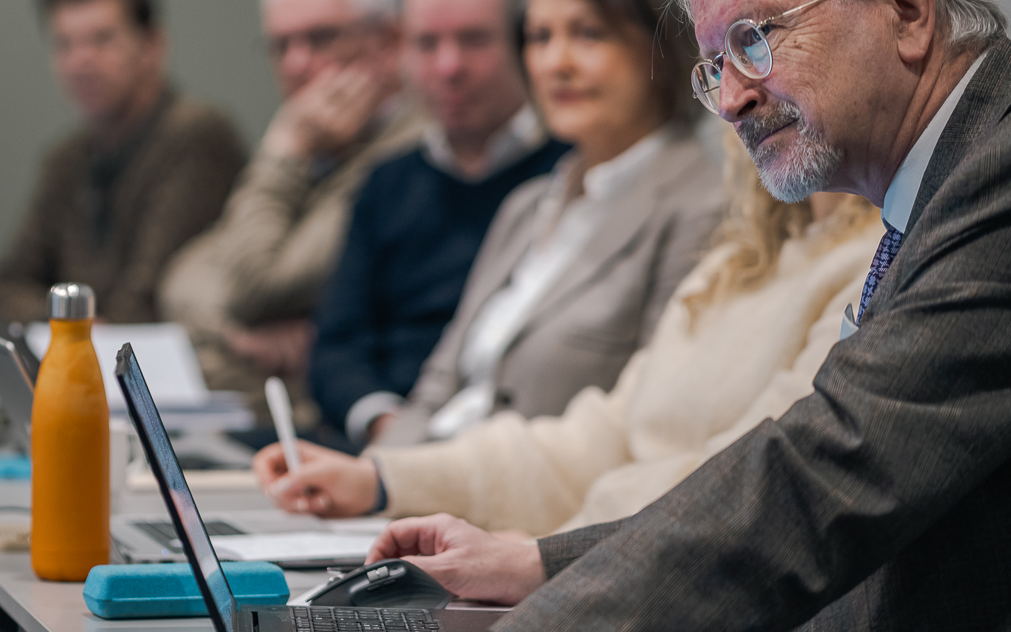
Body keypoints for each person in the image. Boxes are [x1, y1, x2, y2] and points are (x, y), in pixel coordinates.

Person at [333, 0, 1011, 632]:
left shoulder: (993, 175)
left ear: (905, 9)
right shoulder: (938, 184)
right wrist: (539, 564)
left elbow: (830, 469)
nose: (730, 99)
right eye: (713, 64)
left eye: (754, 39)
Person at [253, 135, 877, 530]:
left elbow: (750, 483)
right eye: (723, 57)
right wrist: (384, 480)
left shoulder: (873, 266)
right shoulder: (736, 262)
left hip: (688, 621)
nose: (741, 88)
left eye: (762, 39)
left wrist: (544, 562)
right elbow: (599, 435)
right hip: (601, 566)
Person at [309, 0, 569, 446]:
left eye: (474, 40)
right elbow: (336, 346)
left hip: (508, 441)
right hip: (383, 441)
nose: (449, 66)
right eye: (427, 43)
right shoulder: (386, 183)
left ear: (523, 41)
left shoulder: (570, 171)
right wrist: (385, 423)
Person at [158, 0, 421, 431]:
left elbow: (259, 284)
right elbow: (184, 274)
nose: (297, 63)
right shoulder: (321, 148)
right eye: (280, 45)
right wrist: (236, 334)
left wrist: (283, 148)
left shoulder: (407, 152)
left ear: (388, 42)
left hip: (332, 430)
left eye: (320, 38)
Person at [0, 0, 246, 324]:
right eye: (64, 44)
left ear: (153, 46)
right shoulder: (66, 158)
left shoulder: (197, 138)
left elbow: (146, 302)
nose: (80, 61)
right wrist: (77, 325)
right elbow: (5, 288)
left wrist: (67, 322)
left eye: (102, 39)